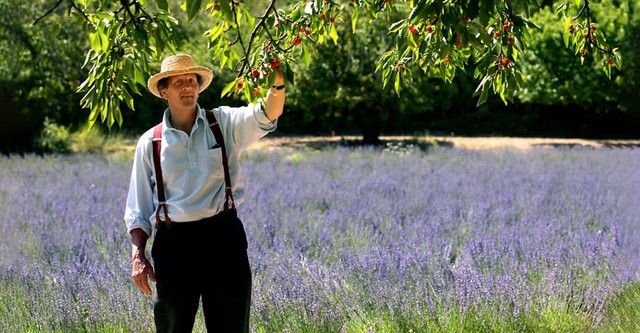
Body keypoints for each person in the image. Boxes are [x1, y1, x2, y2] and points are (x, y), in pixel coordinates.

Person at [124, 53, 285, 333]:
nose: (187, 87)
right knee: (173, 328)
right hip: (174, 244)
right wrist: (138, 256)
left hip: (223, 238)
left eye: (191, 81)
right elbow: (138, 206)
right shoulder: (150, 142)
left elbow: (268, 113)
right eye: (178, 82)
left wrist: (278, 82)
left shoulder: (222, 122)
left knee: (231, 328)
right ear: (164, 91)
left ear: (199, 87)